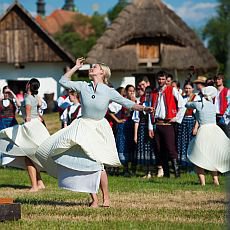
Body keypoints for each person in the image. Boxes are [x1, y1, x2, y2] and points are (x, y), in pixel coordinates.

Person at [35, 58, 153, 208]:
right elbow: (63, 81)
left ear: (102, 72)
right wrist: (76, 67)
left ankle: (106, 198)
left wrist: (144, 108)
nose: (91, 68)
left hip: (98, 128)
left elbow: (127, 103)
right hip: (82, 126)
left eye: (95, 67)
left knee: (98, 164)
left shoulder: (109, 91)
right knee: (86, 163)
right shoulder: (83, 86)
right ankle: (94, 200)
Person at [0, 78, 50, 192]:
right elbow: (39, 108)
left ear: (28, 85)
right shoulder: (36, 97)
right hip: (37, 125)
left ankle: (34, 186)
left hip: (30, 126)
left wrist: (24, 130)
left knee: (28, 156)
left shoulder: (27, 98)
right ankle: (40, 182)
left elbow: (27, 117)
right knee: (32, 155)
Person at [186, 86, 230, 186]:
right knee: (212, 156)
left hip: (204, 130)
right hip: (214, 130)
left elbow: (186, 104)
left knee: (199, 157)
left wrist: (194, 96)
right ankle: (215, 180)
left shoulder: (198, 104)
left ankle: (203, 183)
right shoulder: (213, 105)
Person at [149, 70, 185, 178]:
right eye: (159, 79)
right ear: (157, 80)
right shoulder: (154, 92)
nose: (161, 81)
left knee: (171, 148)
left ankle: (177, 174)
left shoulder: (172, 90)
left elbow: (182, 105)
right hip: (157, 124)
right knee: (160, 149)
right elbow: (151, 110)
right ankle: (167, 174)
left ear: (166, 80)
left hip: (168, 124)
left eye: (163, 79)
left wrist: (176, 118)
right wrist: (150, 127)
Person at [133, 86, 155, 178]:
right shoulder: (141, 104)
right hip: (142, 128)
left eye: (150, 93)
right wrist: (135, 135)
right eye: (147, 93)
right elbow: (136, 120)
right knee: (144, 150)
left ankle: (153, 171)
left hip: (152, 129)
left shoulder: (154, 104)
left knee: (151, 150)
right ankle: (147, 172)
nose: (148, 95)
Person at [176, 81, 198, 170]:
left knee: (190, 143)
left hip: (191, 122)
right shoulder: (182, 98)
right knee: (182, 142)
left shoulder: (196, 98)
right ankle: (183, 164)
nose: (188, 90)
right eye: (186, 88)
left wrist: (196, 127)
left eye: (189, 88)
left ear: (192, 89)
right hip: (182, 122)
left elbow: (198, 114)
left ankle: (191, 166)